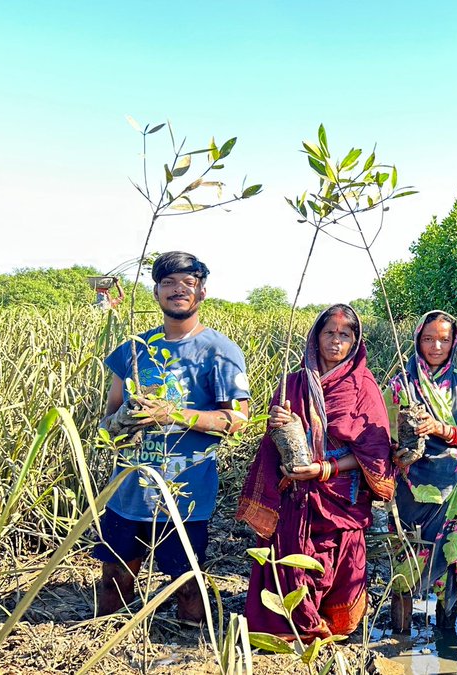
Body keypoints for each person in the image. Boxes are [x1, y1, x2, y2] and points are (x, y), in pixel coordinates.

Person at [94, 251, 251, 622]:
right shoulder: (133, 349)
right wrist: (122, 421)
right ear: (156, 293)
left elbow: (238, 419)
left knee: (186, 583)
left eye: (188, 283)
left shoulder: (220, 352)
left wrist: (172, 413)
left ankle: (191, 650)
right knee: (115, 576)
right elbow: (107, 418)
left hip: (186, 492)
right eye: (168, 282)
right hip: (128, 488)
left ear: (202, 292)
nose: (178, 290)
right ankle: (103, 643)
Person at [238, 304, 395, 639]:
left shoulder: (363, 388)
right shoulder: (292, 384)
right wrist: (281, 424)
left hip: (340, 495)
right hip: (295, 492)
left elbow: (374, 451)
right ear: (316, 336)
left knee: (338, 560)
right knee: (293, 557)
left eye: (344, 335)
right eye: (329, 333)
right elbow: (274, 442)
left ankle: (335, 627)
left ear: (355, 341)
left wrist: (324, 468)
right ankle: (293, 629)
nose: (335, 341)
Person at [384, 310, 457, 634]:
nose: (436, 346)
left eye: (443, 339)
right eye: (428, 338)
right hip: (409, 484)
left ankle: (448, 639)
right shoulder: (401, 384)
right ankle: (400, 640)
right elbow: (384, 435)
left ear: (453, 342)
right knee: (405, 561)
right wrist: (398, 452)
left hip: (454, 485)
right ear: (418, 340)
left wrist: (440, 428)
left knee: (452, 561)